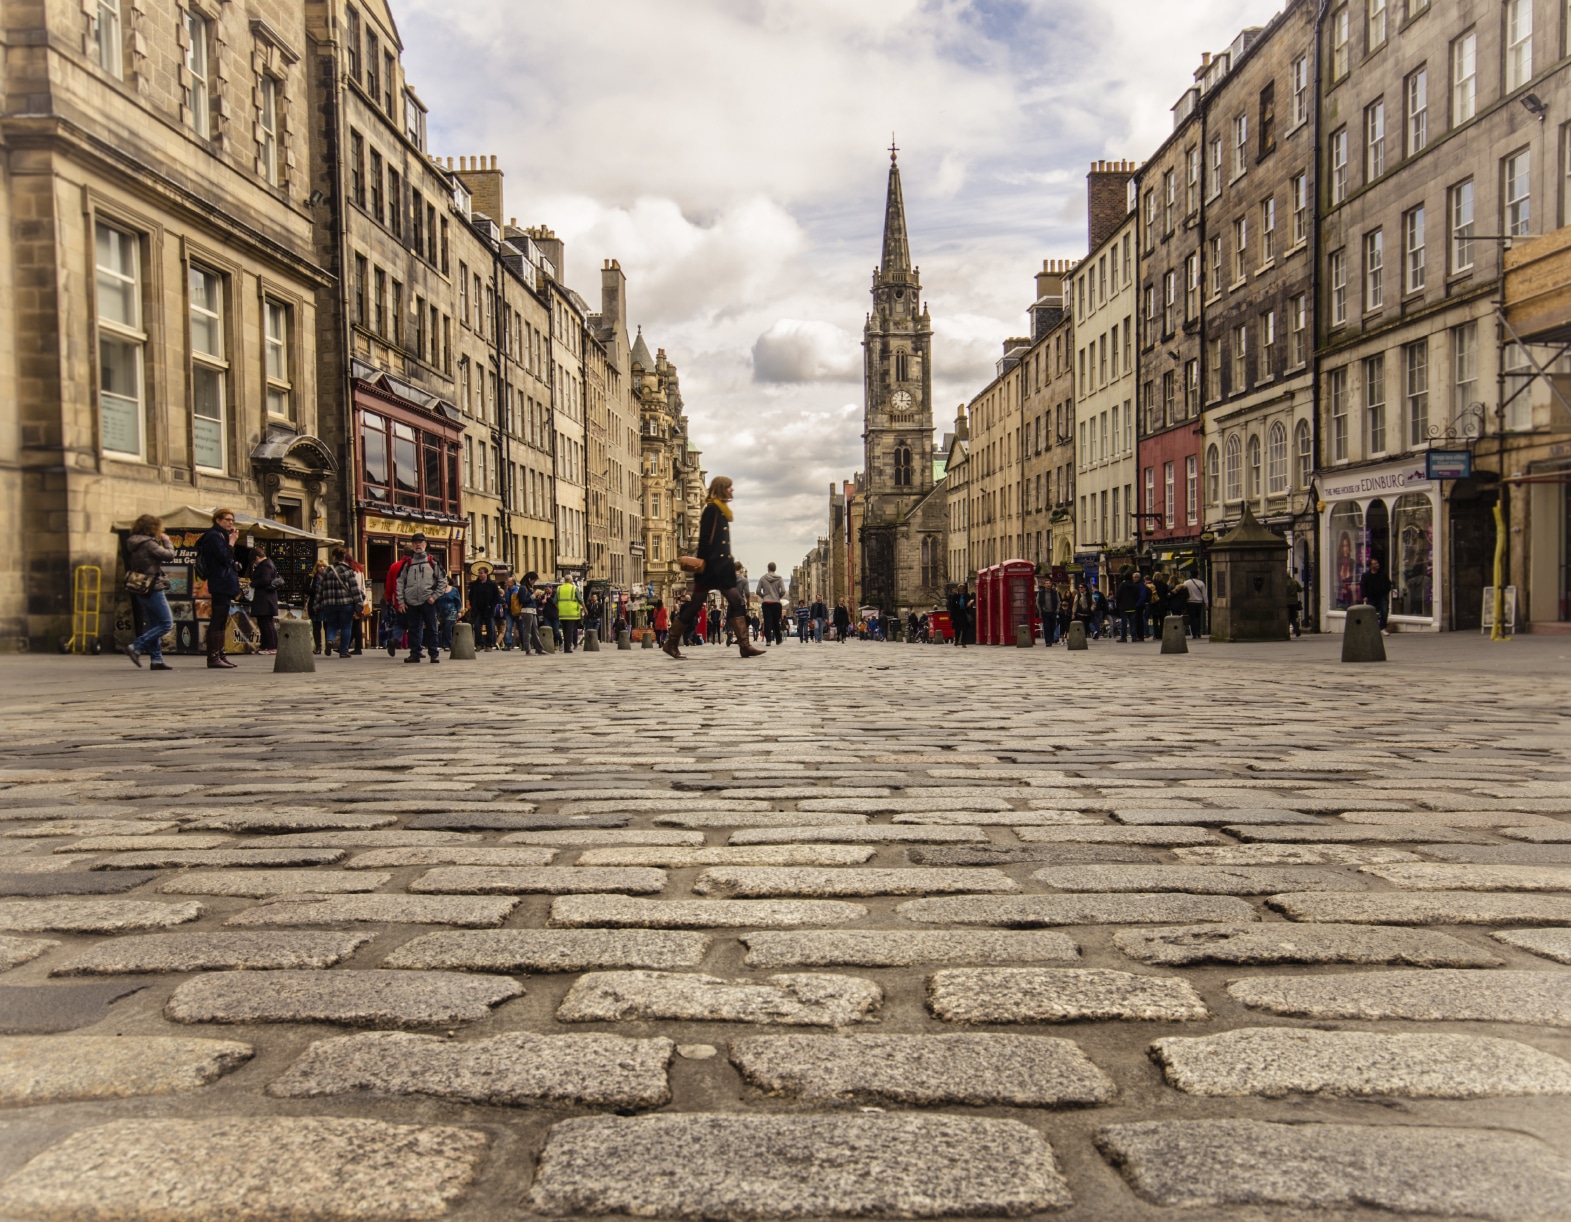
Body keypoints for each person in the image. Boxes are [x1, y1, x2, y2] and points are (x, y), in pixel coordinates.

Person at [663, 476, 765, 659]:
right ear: (721, 489)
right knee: (695, 606)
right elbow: (704, 540)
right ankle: (671, 643)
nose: (732, 490)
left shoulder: (721, 510)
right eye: (729, 487)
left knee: (736, 601)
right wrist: (706, 566)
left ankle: (744, 645)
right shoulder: (711, 510)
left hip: (721, 568)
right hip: (712, 569)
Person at [122, 515, 176, 671]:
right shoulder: (149, 544)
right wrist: (167, 541)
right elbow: (169, 555)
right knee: (166, 623)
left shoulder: (133, 542)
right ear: (153, 527)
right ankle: (135, 646)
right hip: (153, 586)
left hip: (140, 585)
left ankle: (156, 660)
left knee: (154, 624)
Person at [196, 507, 241, 669]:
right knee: (218, 618)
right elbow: (223, 556)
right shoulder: (214, 536)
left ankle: (220, 653)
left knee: (222, 619)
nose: (230, 523)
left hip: (224, 582)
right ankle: (213, 656)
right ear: (218, 520)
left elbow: (227, 559)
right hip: (220, 582)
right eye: (227, 520)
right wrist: (232, 542)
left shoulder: (221, 535)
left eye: (232, 520)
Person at [397, 533, 448, 663]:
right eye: (415, 542)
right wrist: (401, 601)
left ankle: (434, 653)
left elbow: (443, 580)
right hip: (412, 601)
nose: (418, 545)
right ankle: (415, 653)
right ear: (412, 545)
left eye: (420, 542)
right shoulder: (407, 563)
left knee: (432, 628)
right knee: (413, 629)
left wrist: (434, 596)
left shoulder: (432, 561)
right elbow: (400, 582)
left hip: (428, 601)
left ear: (425, 544)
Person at [315, 547, 363, 659]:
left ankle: (330, 640)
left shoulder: (326, 571)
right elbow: (354, 590)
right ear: (343, 557)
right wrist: (359, 605)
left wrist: (317, 604)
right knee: (346, 626)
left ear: (333, 557)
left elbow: (320, 589)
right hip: (346, 604)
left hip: (329, 604)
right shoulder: (348, 570)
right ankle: (344, 651)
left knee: (332, 625)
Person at [248, 549, 280, 655]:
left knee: (267, 623)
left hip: (265, 599)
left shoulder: (266, 565)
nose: (254, 563)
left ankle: (272, 646)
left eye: (254, 561)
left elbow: (265, 580)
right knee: (263, 623)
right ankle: (264, 645)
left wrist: (253, 583)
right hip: (265, 599)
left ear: (257, 558)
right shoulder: (267, 564)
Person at [383, 547, 409, 657]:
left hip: (398, 600)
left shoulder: (394, 566)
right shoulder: (413, 565)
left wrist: (389, 598)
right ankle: (416, 649)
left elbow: (389, 585)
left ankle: (395, 639)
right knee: (416, 624)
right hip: (414, 600)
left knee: (400, 623)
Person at [469, 568, 501, 650]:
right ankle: (479, 644)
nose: (480, 575)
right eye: (479, 573)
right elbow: (471, 596)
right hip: (477, 609)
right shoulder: (475, 584)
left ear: (486, 574)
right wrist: (473, 605)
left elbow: (497, 597)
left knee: (490, 627)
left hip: (488, 609)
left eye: (481, 573)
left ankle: (489, 645)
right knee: (477, 627)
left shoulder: (492, 584)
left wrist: (491, 605)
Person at [1360, 556, 1393, 633]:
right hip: (1371, 597)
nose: (1377, 564)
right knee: (1371, 613)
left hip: (1382, 596)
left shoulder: (1383, 574)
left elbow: (1388, 584)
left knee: (1384, 612)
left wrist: (1385, 592)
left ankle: (1382, 627)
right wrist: (1364, 596)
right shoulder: (1366, 576)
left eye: (1377, 563)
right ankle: (1371, 628)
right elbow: (1363, 586)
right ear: (1371, 566)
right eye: (1375, 563)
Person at [515, 573, 544, 654]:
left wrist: (537, 597)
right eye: (534, 580)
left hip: (533, 610)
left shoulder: (530, 588)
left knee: (535, 630)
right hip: (527, 611)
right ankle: (527, 649)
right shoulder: (523, 588)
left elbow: (532, 600)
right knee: (527, 631)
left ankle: (539, 648)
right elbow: (523, 600)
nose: (534, 582)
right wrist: (534, 595)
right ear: (529, 579)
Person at [758, 562, 786, 646]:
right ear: (775, 569)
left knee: (767, 622)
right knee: (776, 621)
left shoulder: (763, 578)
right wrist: (778, 596)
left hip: (766, 602)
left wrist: (764, 596)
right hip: (776, 602)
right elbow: (783, 591)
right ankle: (778, 639)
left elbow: (758, 591)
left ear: (768, 568)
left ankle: (768, 640)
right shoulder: (779, 578)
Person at [556, 579, 583, 652]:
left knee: (565, 631)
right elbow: (580, 600)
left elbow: (555, 601)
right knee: (569, 631)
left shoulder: (559, 588)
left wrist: (560, 609)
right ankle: (567, 648)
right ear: (571, 581)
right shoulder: (574, 588)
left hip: (562, 614)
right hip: (571, 614)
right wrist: (585, 609)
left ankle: (566, 647)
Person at [435, 578, 463, 649]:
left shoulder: (454, 590)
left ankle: (448, 645)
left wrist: (459, 611)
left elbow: (458, 601)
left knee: (448, 627)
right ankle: (442, 644)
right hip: (441, 612)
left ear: (448, 581)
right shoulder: (438, 590)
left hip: (451, 611)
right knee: (443, 628)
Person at [306, 560, 327, 654]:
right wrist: (316, 590)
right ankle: (318, 647)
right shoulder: (311, 578)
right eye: (320, 566)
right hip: (314, 604)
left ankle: (328, 646)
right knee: (316, 626)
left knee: (327, 626)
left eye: (323, 566)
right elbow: (306, 589)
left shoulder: (329, 577)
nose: (322, 568)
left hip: (326, 605)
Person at [1180, 570, 1208, 639]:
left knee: (1192, 618)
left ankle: (1194, 633)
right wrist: (1206, 603)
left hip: (1190, 602)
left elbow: (1183, 593)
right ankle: (1198, 632)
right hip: (1199, 602)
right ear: (1197, 575)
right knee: (1198, 617)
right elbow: (1204, 594)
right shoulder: (1201, 583)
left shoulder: (1186, 583)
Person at [1115, 571, 1140, 643]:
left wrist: (1119, 603)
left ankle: (1123, 637)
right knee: (1133, 623)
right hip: (1132, 606)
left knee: (1124, 623)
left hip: (1124, 607)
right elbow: (1138, 596)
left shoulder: (1122, 585)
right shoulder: (1135, 585)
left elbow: (1118, 596)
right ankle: (1134, 637)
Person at [1286, 570, 1305, 638]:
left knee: (1287, 618)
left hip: (1286, 602)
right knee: (1293, 617)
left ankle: (1286, 631)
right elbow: (1300, 589)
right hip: (1294, 602)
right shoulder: (1294, 581)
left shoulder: (1283, 582)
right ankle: (1297, 631)